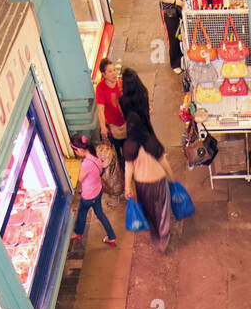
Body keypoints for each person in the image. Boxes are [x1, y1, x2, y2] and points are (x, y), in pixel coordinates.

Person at [124, 117, 176, 255]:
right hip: (158, 181)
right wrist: (171, 174)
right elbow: (163, 161)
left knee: (149, 210)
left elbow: (128, 168)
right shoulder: (151, 142)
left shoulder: (129, 146)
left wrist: (127, 187)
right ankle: (163, 238)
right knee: (162, 209)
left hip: (142, 185)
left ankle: (154, 234)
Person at [70, 133, 117, 248]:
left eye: (75, 151)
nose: (75, 153)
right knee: (100, 214)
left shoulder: (86, 164)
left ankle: (78, 233)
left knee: (81, 213)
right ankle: (112, 237)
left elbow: (80, 179)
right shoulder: (96, 156)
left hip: (88, 196)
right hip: (98, 191)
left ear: (81, 150)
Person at [95, 58, 127, 167]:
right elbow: (100, 110)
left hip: (125, 122)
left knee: (128, 148)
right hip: (113, 126)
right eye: (110, 71)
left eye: (114, 70)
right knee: (118, 150)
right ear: (103, 74)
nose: (114, 73)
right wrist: (103, 127)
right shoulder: (100, 88)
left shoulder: (121, 83)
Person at [119, 68, 155, 141]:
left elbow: (125, 117)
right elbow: (147, 112)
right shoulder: (144, 93)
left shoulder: (122, 100)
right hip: (146, 128)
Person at [156, 0, 184, 74]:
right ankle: (175, 63)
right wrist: (175, 2)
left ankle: (183, 57)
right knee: (173, 37)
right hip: (169, 9)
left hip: (182, 6)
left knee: (184, 34)